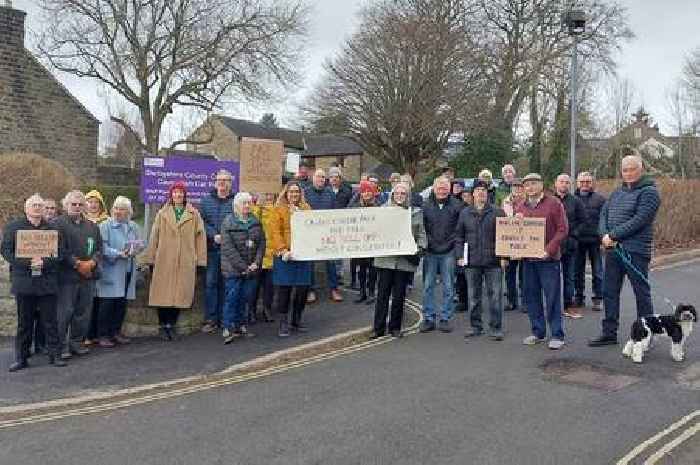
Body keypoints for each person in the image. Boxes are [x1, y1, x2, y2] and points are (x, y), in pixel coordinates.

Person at [589, 154, 661, 347]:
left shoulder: (650, 193)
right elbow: (604, 214)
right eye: (625, 170)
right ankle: (609, 333)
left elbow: (639, 220)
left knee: (641, 293)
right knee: (609, 292)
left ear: (641, 169)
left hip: (635, 251)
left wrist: (613, 236)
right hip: (613, 251)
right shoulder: (617, 192)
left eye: (632, 169)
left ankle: (647, 334)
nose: (628, 173)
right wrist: (604, 235)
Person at [2, 194, 66, 371]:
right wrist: (28, 262)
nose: (37, 208)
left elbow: (61, 253)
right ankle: (21, 358)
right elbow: (6, 251)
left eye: (40, 205)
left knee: (51, 321)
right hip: (24, 281)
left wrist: (44, 262)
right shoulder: (13, 227)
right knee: (24, 322)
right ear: (26, 208)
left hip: (47, 281)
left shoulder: (52, 229)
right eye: (34, 205)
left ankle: (55, 355)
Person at [142, 181, 207, 341]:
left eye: (181, 193)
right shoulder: (162, 213)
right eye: (175, 192)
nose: (178, 195)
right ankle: (162, 325)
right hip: (165, 259)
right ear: (171, 195)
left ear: (185, 195)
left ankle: (172, 324)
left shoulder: (194, 214)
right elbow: (154, 235)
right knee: (162, 294)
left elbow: (200, 238)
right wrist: (150, 257)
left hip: (185, 259)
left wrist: (200, 260)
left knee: (179, 294)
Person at [517, 173, 569, 350]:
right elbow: (516, 232)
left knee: (552, 297)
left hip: (548, 260)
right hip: (528, 260)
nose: (530, 187)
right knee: (531, 297)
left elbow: (563, 230)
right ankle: (538, 332)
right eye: (527, 185)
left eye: (533, 183)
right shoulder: (521, 206)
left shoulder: (554, 203)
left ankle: (557, 334)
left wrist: (549, 250)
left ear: (541, 185)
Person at [52, 190, 103, 359]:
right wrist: (77, 264)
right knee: (64, 313)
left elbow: (99, 249)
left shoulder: (92, 226)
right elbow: (59, 249)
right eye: (73, 204)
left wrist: (92, 263)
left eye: (80, 204)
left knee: (82, 313)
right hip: (66, 278)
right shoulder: (57, 224)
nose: (76, 207)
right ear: (65, 205)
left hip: (87, 277)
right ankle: (61, 346)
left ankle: (76, 343)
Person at [372, 182, 426, 338]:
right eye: (397, 193)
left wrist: (420, 249)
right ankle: (378, 328)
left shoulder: (415, 212)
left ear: (407, 195)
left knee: (399, 296)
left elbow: (421, 234)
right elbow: (375, 231)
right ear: (392, 194)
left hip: (404, 261)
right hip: (386, 260)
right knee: (382, 295)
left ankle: (395, 327)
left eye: (403, 193)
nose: (400, 196)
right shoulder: (383, 211)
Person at [457, 181, 507, 340]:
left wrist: (504, 257)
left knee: (495, 296)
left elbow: (505, 237)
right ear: (472, 194)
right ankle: (475, 326)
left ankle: (496, 328)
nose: (481, 193)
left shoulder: (498, 212)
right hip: (472, 262)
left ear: (488, 193)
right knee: (473, 297)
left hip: (493, 262)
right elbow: (458, 236)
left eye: (484, 190)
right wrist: (459, 256)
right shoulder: (464, 213)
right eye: (478, 190)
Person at [95, 196, 144, 348]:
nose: (118, 211)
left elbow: (141, 243)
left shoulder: (133, 226)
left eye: (122, 209)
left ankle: (116, 331)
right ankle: (102, 335)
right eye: (116, 208)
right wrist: (118, 253)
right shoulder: (105, 226)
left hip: (127, 269)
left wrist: (136, 249)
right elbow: (102, 248)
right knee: (107, 303)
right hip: (111, 270)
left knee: (121, 303)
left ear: (128, 212)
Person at [269, 181, 314, 337]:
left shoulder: (307, 208)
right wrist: (282, 249)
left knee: (303, 290)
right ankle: (283, 322)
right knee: (284, 290)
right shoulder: (278, 210)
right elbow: (275, 232)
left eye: (297, 191)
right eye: (291, 192)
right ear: (286, 193)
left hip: (303, 255)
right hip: (285, 256)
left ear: (300, 193)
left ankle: (296, 319)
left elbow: (313, 228)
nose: (294, 194)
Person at [220, 192, 265, 343]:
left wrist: (256, 263)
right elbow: (228, 249)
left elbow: (261, 244)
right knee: (232, 298)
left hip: (251, 269)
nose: (247, 206)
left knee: (245, 298)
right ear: (236, 206)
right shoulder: (228, 222)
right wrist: (244, 267)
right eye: (244, 203)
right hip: (233, 269)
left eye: (249, 203)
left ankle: (240, 326)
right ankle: (228, 328)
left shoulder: (255, 221)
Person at [421, 176, 462, 333]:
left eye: (445, 186)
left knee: (449, 287)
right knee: (427, 286)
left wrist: (452, 245)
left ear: (450, 189)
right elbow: (422, 229)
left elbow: (459, 230)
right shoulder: (425, 206)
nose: (442, 189)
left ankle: (445, 318)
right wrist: (427, 244)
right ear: (434, 188)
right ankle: (429, 318)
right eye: (439, 186)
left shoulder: (457, 206)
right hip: (430, 251)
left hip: (449, 252)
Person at [199, 169, 235, 334]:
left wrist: (226, 236)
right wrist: (214, 235)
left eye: (225, 180)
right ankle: (211, 319)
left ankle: (224, 318)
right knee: (211, 284)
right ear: (215, 182)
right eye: (219, 180)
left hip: (230, 251)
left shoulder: (236, 201)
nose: (222, 183)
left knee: (227, 285)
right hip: (212, 249)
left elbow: (239, 221)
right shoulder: (206, 201)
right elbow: (202, 222)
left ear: (230, 183)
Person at [304, 168, 343, 303]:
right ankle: (310, 290)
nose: (321, 179)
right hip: (311, 234)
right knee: (309, 263)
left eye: (323, 177)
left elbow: (335, 212)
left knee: (331, 262)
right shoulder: (306, 192)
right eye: (318, 177)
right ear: (313, 178)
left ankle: (334, 289)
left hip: (327, 234)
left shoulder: (330, 193)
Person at [553, 174, 586, 319]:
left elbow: (583, 221)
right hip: (552, 245)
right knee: (552, 278)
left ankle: (568, 305)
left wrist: (574, 235)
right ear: (556, 183)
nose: (564, 184)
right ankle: (553, 306)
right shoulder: (549, 201)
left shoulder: (576, 201)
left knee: (569, 277)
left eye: (567, 182)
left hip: (570, 245)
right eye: (562, 182)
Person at [574, 172, 606, 311]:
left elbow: (605, 219)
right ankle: (579, 298)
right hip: (577, 240)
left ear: (592, 183)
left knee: (598, 272)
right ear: (577, 183)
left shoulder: (600, 199)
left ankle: (598, 299)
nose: (585, 184)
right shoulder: (572, 199)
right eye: (582, 182)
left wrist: (604, 237)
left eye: (588, 181)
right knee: (577, 271)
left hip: (595, 240)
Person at [83, 190, 109, 346]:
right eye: (90, 202)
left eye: (96, 202)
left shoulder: (106, 221)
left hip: (101, 265)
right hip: (84, 264)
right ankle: (85, 334)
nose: (93, 205)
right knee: (85, 302)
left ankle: (97, 333)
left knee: (99, 300)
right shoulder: (80, 220)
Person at [348, 180, 380, 304]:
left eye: (369, 191)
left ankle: (371, 292)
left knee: (372, 269)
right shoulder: (355, 207)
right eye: (364, 191)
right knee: (361, 269)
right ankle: (362, 292)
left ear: (373, 193)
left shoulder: (378, 206)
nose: (366, 193)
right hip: (360, 243)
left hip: (373, 242)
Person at [251, 193, 277, 324]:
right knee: (254, 285)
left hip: (272, 253)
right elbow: (252, 223)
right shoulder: (255, 209)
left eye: (270, 194)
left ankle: (267, 309)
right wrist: (258, 206)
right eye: (265, 194)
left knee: (269, 286)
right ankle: (251, 310)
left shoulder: (277, 209)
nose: (268, 197)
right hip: (257, 254)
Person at [502, 178, 525, 313]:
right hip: (509, 242)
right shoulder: (505, 202)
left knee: (524, 275)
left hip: (524, 242)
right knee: (509, 274)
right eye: (514, 187)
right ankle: (511, 301)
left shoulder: (528, 202)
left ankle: (526, 301)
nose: (517, 189)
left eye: (519, 187)